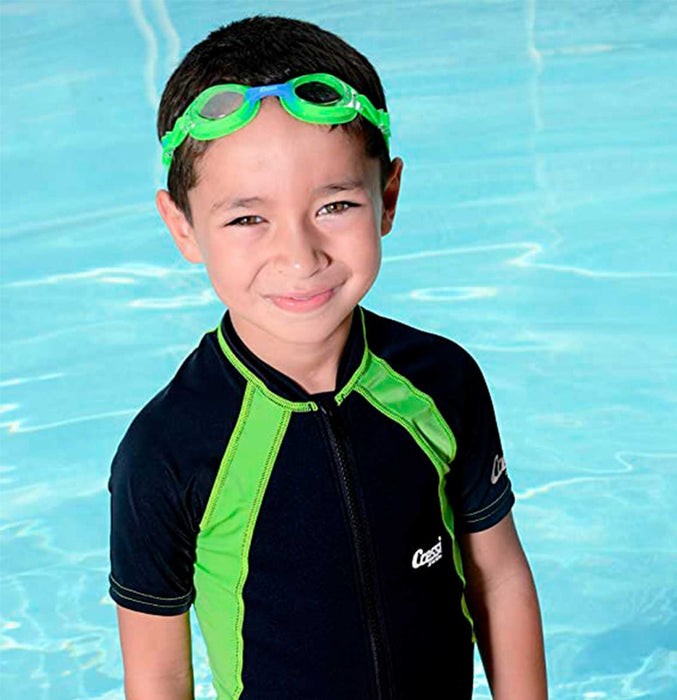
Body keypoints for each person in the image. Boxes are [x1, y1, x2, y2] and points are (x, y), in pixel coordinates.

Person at [108, 13, 548, 700]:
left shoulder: (441, 382)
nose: (299, 256)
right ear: (183, 227)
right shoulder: (167, 451)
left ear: (387, 198)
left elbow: (499, 578)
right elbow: (159, 674)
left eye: (335, 205)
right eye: (248, 218)